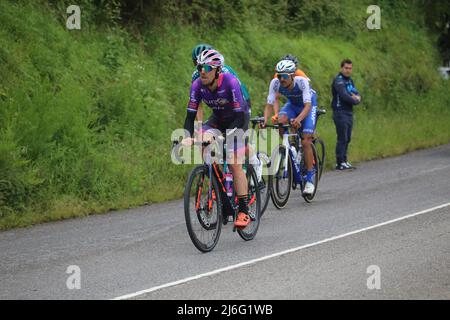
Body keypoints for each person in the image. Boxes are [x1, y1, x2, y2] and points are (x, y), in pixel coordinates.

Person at [182, 49, 252, 228]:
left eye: (207, 67)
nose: (202, 71)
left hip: (238, 119)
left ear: (217, 70)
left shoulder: (230, 81)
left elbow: (238, 115)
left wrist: (225, 137)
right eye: (200, 67)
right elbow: (190, 117)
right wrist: (188, 137)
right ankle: (216, 185)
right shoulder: (197, 85)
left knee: (234, 161)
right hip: (218, 119)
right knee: (203, 142)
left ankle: (244, 210)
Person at [261, 59, 318, 195]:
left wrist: (298, 119)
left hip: (308, 106)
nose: (281, 79)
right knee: (280, 121)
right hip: (292, 105)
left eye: (284, 76)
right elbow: (269, 104)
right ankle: (289, 147)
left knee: (306, 140)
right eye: (279, 75)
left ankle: (310, 178)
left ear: (292, 75)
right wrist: (264, 120)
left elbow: (308, 106)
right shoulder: (275, 83)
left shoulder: (301, 82)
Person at [191, 44, 251, 122]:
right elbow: (197, 104)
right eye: (198, 64)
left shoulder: (225, 72)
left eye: (206, 64)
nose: (202, 69)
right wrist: (199, 124)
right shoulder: (196, 77)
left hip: (241, 101)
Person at [331, 59, 361, 170]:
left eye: (350, 68)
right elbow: (345, 96)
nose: (348, 70)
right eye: (346, 68)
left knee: (348, 137)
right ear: (341, 68)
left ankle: (344, 160)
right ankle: (339, 162)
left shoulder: (350, 81)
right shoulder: (339, 81)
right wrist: (356, 100)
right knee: (342, 137)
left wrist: (356, 98)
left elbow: (356, 93)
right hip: (339, 112)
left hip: (349, 112)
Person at [271, 54, 309, 123]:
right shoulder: (278, 75)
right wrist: (276, 113)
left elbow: (309, 93)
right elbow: (276, 97)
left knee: (307, 128)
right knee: (282, 120)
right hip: (292, 102)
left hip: (304, 102)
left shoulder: (300, 74)